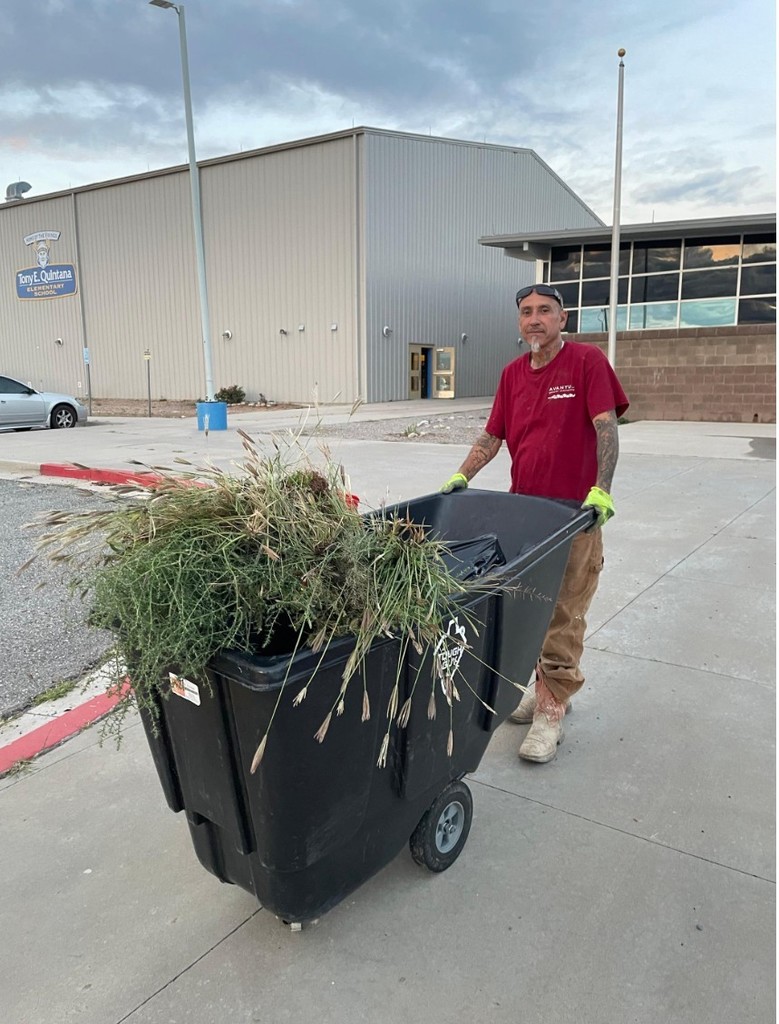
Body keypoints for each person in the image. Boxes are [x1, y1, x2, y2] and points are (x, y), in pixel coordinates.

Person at [440, 284, 629, 763]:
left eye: (546, 311)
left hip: (573, 518)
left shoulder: (586, 363)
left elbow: (606, 427)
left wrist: (601, 488)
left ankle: (551, 709)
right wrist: (464, 472)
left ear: (562, 319)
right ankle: (544, 687)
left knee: (564, 612)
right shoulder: (511, 375)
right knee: (528, 609)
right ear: (519, 323)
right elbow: (492, 434)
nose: (535, 319)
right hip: (524, 517)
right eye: (526, 312)